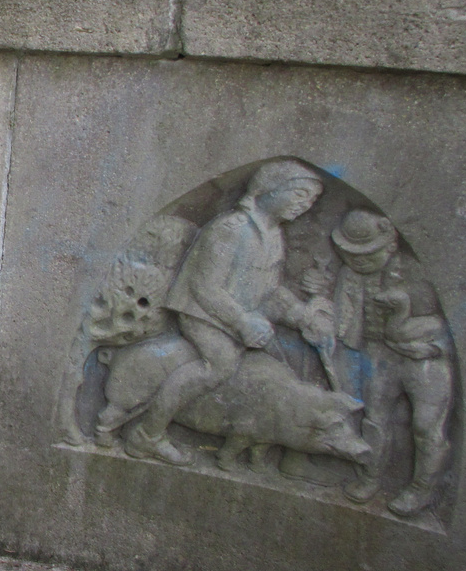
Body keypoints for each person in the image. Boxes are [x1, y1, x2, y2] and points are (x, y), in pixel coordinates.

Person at [132, 160, 332, 464]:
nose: (304, 205)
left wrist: (302, 315)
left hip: (243, 315)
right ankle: (148, 434)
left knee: (281, 363)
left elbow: (270, 290)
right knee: (220, 365)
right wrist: (242, 322)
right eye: (299, 194)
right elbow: (205, 287)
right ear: (269, 189)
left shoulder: (274, 235)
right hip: (203, 314)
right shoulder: (231, 228)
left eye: (311, 201)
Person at [320, 209, 453, 516]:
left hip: (423, 358)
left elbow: (456, 323)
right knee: (375, 416)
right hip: (378, 355)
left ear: (390, 245)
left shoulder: (417, 273)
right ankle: (370, 477)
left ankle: (422, 489)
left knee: (425, 425)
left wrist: (420, 335)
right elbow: (343, 319)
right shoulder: (351, 274)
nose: (357, 262)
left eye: (366, 255)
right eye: (350, 255)